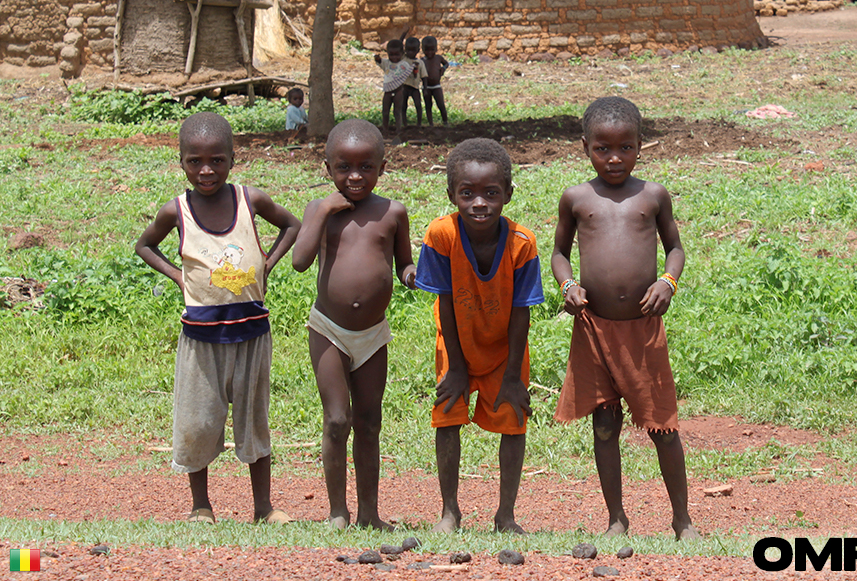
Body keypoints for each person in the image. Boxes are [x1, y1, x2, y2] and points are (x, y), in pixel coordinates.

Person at [135, 112, 301, 525]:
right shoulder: (176, 211)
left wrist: (267, 262)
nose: (206, 170)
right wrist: (178, 277)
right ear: (181, 162)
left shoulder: (251, 200)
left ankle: (263, 507)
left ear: (232, 159)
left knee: (253, 420)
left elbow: (292, 225)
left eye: (216, 160)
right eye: (195, 161)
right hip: (201, 338)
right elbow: (145, 246)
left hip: (250, 334)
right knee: (199, 420)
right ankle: (200, 506)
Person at [550, 96, 699, 540]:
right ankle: (616, 518)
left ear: (641, 146)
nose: (614, 158)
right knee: (603, 424)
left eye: (625, 148)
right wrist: (567, 286)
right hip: (594, 328)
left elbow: (675, 248)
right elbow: (558, 253)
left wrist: (667, 283)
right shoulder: (576, 198)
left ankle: (682, 520)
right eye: (602, 148)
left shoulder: (652, 196)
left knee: (663, 427)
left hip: (643, 330)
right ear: (585, 147)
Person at [415, 138, 545, 534]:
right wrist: (455, 367)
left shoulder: (522, 244)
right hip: (456, 344)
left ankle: (505, 514)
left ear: (508, 192)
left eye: (491, 193)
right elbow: (446, 303)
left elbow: (522, 314)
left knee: (512, 421)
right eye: (467, 193)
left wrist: (511, 376)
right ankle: (449, 511)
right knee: (447, 418)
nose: (479, 203)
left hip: (506, 351)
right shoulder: (441, 235)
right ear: (451, 193)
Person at [292, 119, 417, 530]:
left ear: (383, 167)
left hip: (372, 334)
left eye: (366, 167)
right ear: (326, 168)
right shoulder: (320, 209)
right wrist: (325, 207)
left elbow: (403, 264)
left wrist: (412, 275)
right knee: (336, 419)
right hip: (328, 328)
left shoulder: (392, 212)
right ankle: (337, 513)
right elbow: (299, 261)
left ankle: (369, 513)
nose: (355, 176)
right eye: (344, 168)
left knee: (369, 422)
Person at [374, 39, 414, 136]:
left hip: (399, 91)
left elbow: (410, 72)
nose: (394, 57)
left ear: (402, 53)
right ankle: (385, 129)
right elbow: (379, 61)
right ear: (387, 53)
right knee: (385, 111)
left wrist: (415, 68)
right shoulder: (387, 63)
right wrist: (377, 58)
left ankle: (398, 129)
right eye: (391, 55)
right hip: (387, 91)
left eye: (397, 54)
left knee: (397, 111)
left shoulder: (404, 65)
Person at [421, 36, 449, 127]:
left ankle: (445, 121)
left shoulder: (438, 58)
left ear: (436, 48)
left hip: (436, 86)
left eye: (432, 50)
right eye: (427, 50)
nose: (429, 52)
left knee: (441, 104)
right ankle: (431, 124)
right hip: (426, 87)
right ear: (422, 49)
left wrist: (443, 69)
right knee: (428, 106)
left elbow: (446, 63)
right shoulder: (422, 61)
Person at [401, 36, 428, 128]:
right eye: (408, 50)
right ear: (405, 49)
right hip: (404, 87)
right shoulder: (403, 58)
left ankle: (419, 123)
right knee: (403, 105)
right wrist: (403, 35)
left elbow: (424, 77)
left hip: (415, 88)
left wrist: (425, 88)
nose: (410, 53)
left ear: (418, 50)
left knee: (418, 105)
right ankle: (404, 123)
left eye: (413, 50)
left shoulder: (420, 63)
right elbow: (398, 46)